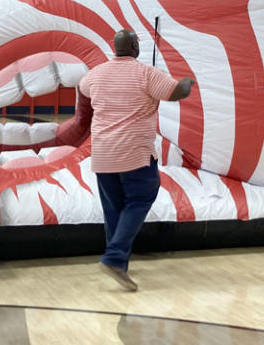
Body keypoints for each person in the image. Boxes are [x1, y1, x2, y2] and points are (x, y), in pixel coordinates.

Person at [77, 28, 195, 291]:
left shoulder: (95, 74)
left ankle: (118, 261)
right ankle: (116, 257)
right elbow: (176, 92)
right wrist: (188, 82)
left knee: (114, 210)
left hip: (103, 155)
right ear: (134, 47)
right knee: (141, 197)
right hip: (134, 154)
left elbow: (83, 88)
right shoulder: (145, 73)